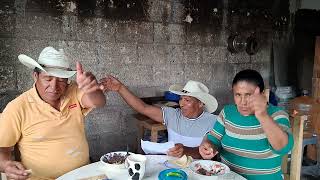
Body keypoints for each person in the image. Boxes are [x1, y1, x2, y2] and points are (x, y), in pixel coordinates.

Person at [0, 47, 106, 180]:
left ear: (67, 81)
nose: (54, 87)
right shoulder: (17, 108)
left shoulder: (73, 90)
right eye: (48, 79)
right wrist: (5, 164)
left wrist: (92, 90)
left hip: (82, 175)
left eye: (61, 80)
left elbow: (98, 102)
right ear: (35, 76)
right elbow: (2, 148)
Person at [199, 69, 294, 180]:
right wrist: (208, 147)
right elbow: (213, 140)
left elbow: (283, 148)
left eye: (249, 95)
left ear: (262, 94)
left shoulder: (277, 115)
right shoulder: (227, 113)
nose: (243, 102)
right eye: (238, 95)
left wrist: (263, 116)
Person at [100, 76, 218, 159]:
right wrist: (120, 88)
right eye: (181, 98)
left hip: (198, 171)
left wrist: (185, 151)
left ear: (201, 103)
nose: (181, 103)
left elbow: (208, 153)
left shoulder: (213, 122)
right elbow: (143, 108)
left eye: (187, 100)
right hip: (171, 166)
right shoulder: (173, 115)